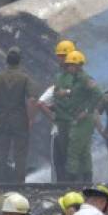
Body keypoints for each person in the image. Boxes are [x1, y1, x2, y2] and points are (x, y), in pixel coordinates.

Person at [0, 47, 39, 182]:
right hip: (20, 121)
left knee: (1, 153)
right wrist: (31, 118)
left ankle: (0, 183)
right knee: (20, 154)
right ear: (19, 61)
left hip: (1, 121)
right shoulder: (25, 79)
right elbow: (32, 99)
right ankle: (19, 184)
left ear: (7, 61)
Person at [56, 50, 102, 182]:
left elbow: (98, 94)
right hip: (80, 119)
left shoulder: (84, 78)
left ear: (77, 65)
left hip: (83, 121)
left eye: (70, 64)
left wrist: (87, 110)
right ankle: (87, 180)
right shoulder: (77, 80)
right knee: (84, 152)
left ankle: (70, 182)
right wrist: (67, 92)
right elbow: (79, 93)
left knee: (73, 150)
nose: (67, 66)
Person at [38, 40, 77, 181]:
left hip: (60, 131)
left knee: (60, 167)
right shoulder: (81, 80)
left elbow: (41, 103)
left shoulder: (61, 81)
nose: (59, 59)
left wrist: (54, 117)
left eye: (61, 56)